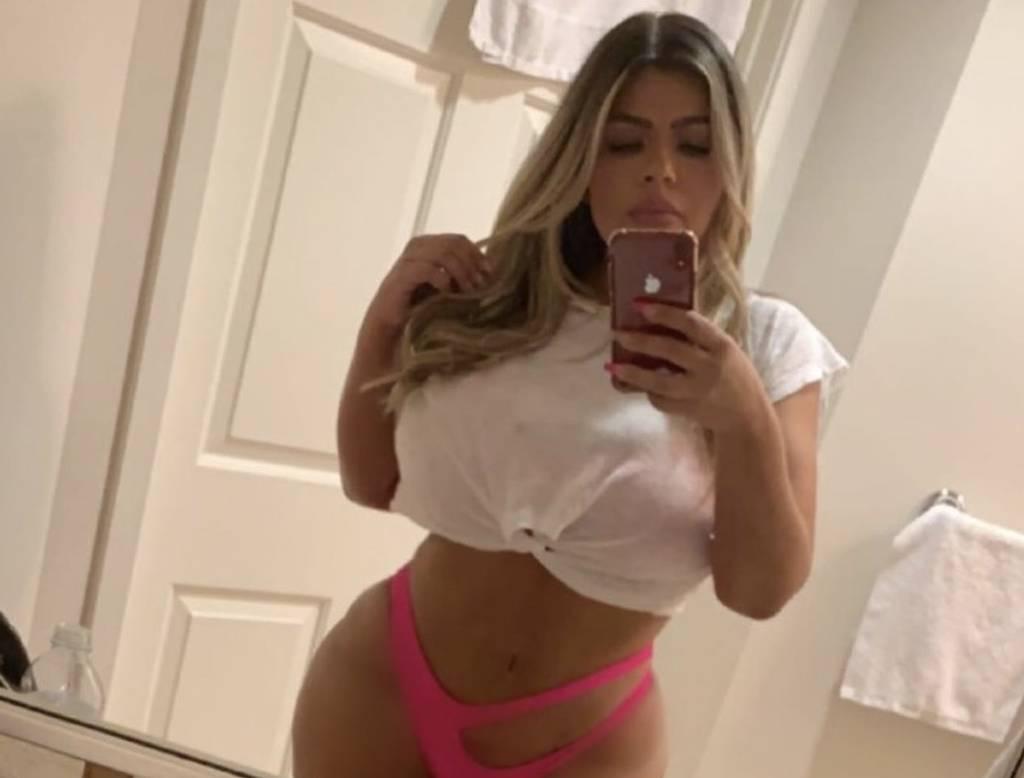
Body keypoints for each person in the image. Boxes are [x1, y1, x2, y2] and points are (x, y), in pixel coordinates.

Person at [291, 11, 848, 778]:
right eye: (623, 143)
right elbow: (370, 482)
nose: (660, 170)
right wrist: (380, 326)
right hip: (381, 685)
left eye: (694, 144)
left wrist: (744, 417)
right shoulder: (491, 299)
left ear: (730, 165)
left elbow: (760, 592)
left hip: (590, 742)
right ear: (582, 158)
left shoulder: (769, 345)